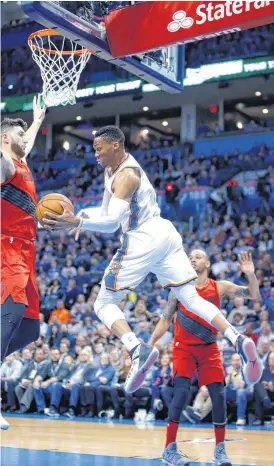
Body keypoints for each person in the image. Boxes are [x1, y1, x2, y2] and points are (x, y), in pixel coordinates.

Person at [41, 125, 262, 396]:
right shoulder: (111, 170)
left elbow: (111, 224)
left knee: (103, 303)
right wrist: (82, 218)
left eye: (99, 149)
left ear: (116, 146)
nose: (95, 154)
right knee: (189, 298)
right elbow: (104, 211)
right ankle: (235, 337)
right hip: (165, 234)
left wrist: (77, 221)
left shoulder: (128, 176)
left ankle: (137, 348)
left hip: (143, 237)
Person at [148, 250, 262, 466]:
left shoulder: (220, 287)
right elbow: (165, 321)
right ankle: (169, 450)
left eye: (198, 256)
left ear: (208, 263)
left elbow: (253, 295)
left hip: (209, 348)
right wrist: (149, 343)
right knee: (180, 394)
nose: (192, 259)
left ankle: (220, 451)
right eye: (190, 257)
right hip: (184, 348)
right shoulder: (178, 288)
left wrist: (251, 275)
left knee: (218, 397)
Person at [0, 95, 46, 430]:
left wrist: (38, 117)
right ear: (4, 138)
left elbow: (25, 145)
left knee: (31, 328)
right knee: (12, 314)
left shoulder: (21, 162)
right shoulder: (4, 164)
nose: (25, 135)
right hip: (7, 249)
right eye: (20, 132)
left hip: (26, 252)